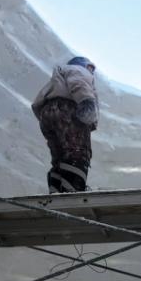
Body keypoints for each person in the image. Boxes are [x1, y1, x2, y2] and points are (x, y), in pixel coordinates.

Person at [31, 55, 99, 192]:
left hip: (47, 114)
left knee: (59, 158)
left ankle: (56, 191)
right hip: (68, 110)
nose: (92, 72)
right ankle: (72, 192)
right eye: (90, 68)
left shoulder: (55, 80)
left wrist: (48, 119)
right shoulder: (78, 70)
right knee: (78, 153)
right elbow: (79, 82)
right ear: (87, 66)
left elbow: (36, 104)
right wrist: (87, 103)